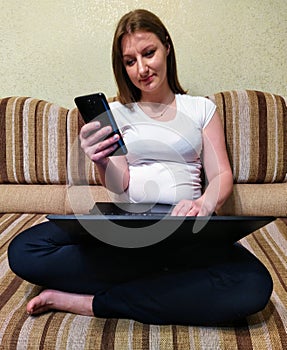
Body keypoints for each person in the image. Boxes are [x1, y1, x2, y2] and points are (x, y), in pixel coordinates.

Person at [8, 9, 273, 326]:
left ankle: (95, 302)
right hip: (127, 233)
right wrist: (101, 160)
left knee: (254, 284)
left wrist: (204, 202)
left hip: (185, 230)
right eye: (130, 61)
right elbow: (121, 185)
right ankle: (169, 282)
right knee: (24, 250)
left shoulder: (201, 108)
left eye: (149, 53)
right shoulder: (117, 112)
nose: (142, 69)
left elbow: (220, 175)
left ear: (167, 47)